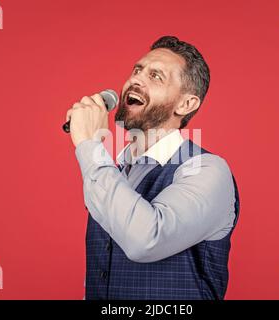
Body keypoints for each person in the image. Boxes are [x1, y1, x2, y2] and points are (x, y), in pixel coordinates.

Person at [65, 35, 240, 300]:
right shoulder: (114, 171)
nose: (136, 79)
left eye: (156, 76)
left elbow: (146, 239)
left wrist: (90, 144)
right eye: (138, 70)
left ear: (186, 104)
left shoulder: (207, 170)